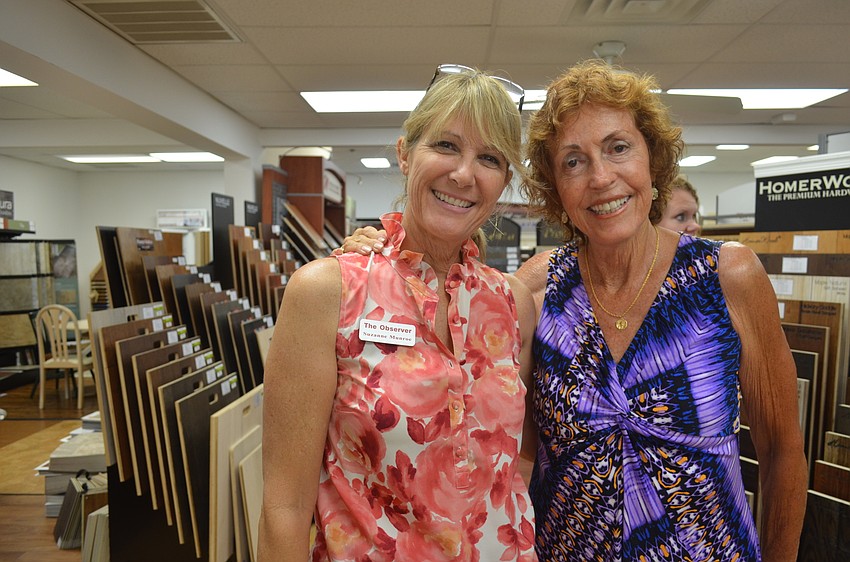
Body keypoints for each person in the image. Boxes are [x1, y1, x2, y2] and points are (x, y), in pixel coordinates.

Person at [339, 59, 807, 562]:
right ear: (556, 187)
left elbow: (782, 452)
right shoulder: (538, 288)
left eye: (618, 148)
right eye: (574, 162)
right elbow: (464, 377)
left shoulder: (726, 277)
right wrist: (378, 257)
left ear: (653, 157)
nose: (601, 177)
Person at [258, 66, 539, 561]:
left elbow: (515, 468)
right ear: (405, 153)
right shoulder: (328, 293)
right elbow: (285, 505)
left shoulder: (512, 305)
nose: (463, 173)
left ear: (503, 183)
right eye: (447, 146)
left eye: (489, 158)